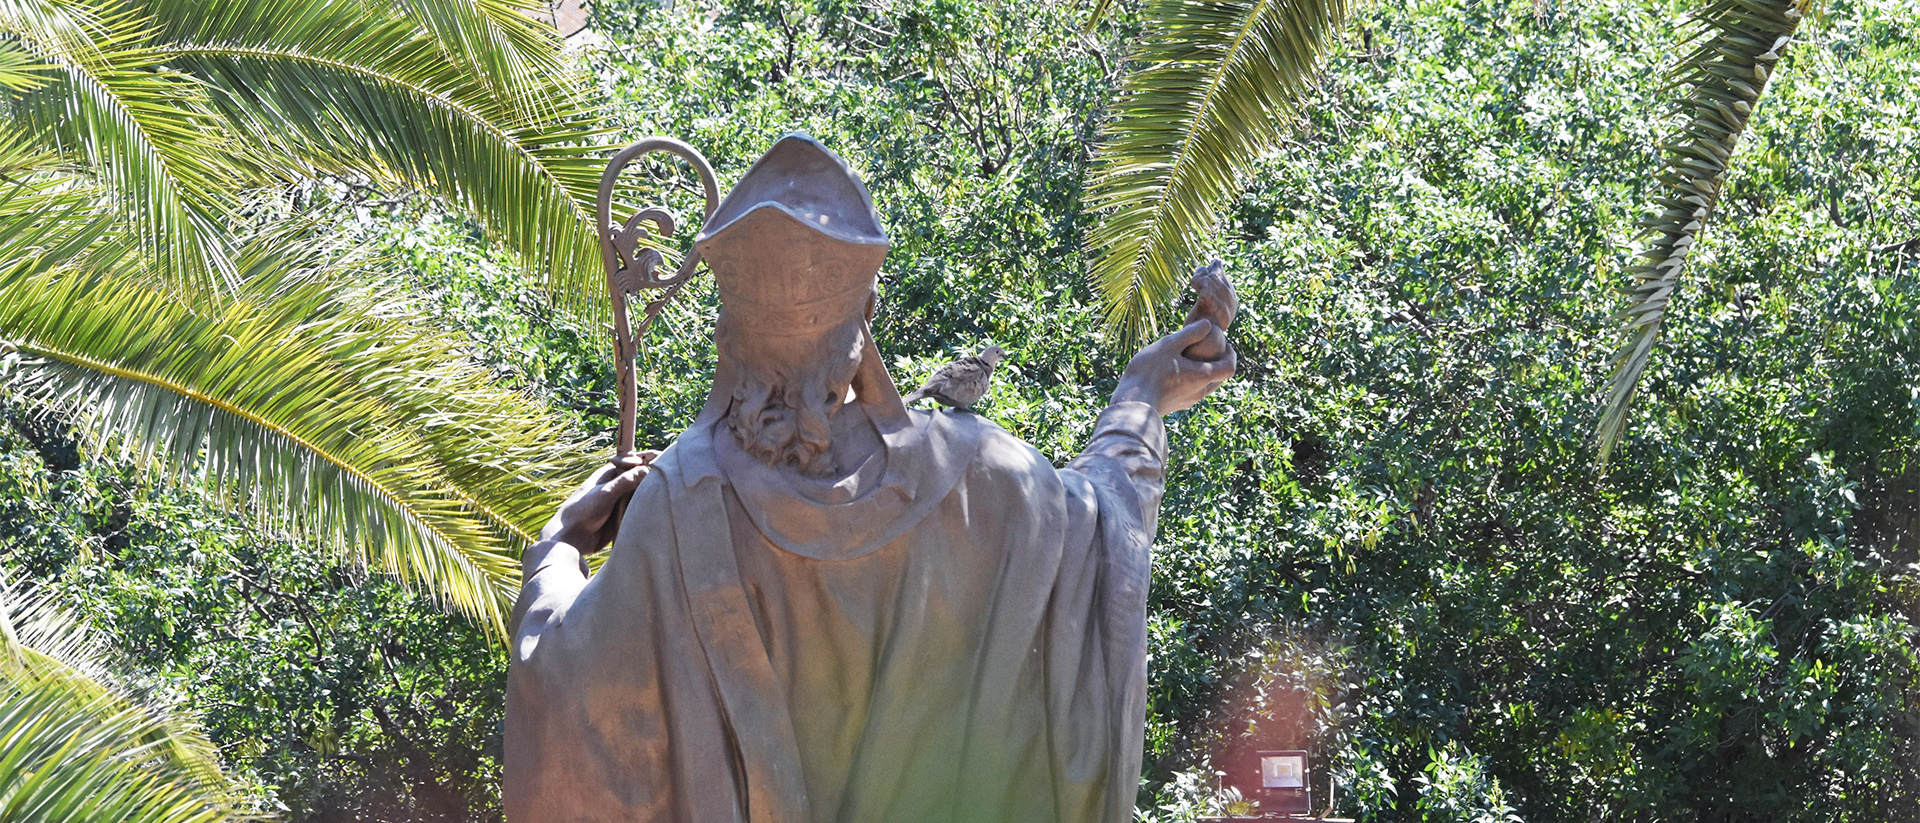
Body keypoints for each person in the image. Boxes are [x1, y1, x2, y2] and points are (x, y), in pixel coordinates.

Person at [505, 134, 1236, 823]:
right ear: (867, 320)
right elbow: (1104, 524)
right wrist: (1142, 397)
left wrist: (557, 550)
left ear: (730, 338)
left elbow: (577, 705)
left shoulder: (679, 502)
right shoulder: (985, 474)